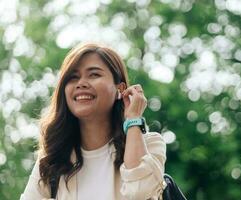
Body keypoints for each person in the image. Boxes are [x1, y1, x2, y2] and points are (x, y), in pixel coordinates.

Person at [20, 42, 167, 200]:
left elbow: (140, 192)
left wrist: (133, 119)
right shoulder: (51, 161)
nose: (81, 83)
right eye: (73, 77)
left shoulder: (151, 144)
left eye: (94, 74)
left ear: (120, 89)